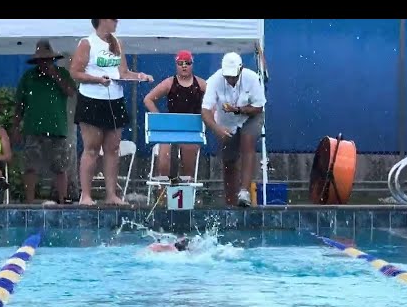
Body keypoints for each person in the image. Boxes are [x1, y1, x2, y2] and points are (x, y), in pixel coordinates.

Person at [70, 19, 154, 206]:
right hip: (91, 100)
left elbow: (123, 73)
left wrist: (140, 76)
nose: (117, 21)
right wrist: (97, 79)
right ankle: (86, 195)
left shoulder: (117, 42)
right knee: (91, 148)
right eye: (113, 19)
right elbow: (75, 72)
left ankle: (111, 195)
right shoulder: (87, 43)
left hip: (114, 100)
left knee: (113, 149)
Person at [13, 39, 76, 204]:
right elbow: (19, 104)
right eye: (42, 60)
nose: (45, 63)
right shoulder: (28, 77)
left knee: (60, 167)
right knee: (30, 166)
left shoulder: (62, 73)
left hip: (57, 128)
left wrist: (54, 74)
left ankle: (62, 200)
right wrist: (15, 127)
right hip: (33, 128)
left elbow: (70, 92)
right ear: (37, 60)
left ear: (53, 59)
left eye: (48, 59)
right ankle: (29, 201)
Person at [201, 52, 267, 207]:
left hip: (251, 116)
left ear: (241, 69)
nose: (230, 80)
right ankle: (230, 201)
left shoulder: (251, 78)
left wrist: (238, 109)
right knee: (228, 160)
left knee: (247, 141)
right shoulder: (215, 81)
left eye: (234, 76)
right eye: (227, 77)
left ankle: (244, 192)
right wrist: (216, 129)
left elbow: (258, 107)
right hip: (226, 122)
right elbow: (205, 110)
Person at [143, 50, 206, 179]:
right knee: (164, 165)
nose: (184, 66)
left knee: (188, 169)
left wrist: (207, 117)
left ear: (192, 65)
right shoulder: (169, 83)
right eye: (180, 63)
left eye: (187, 63)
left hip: (190, 128)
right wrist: (160, 118)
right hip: (170, 128)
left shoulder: (200, 84)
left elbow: (213, 101)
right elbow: (148, 99)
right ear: (176, 65)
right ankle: (163, 192)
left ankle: (186, 193)